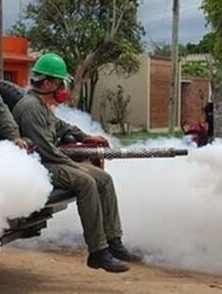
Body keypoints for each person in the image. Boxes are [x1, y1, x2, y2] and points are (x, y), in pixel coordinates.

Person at [12, 53, 139, 273]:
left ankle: (113, 242)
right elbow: (46, 151)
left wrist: (84, 137)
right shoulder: (31, 107)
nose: (63, 87)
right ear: (49, 83)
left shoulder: (41, 105)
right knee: (86, 182)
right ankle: (97, 252)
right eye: (60, 82)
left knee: (104, 179)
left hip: (50, 161)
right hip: (39, 166)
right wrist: (75, 166)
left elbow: (60, 126)